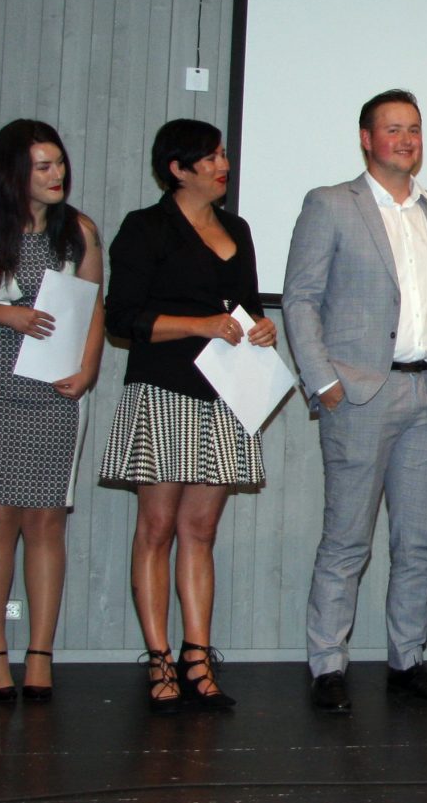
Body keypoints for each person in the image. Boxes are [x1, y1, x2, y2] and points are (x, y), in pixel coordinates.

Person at [283, 90, 427, 712]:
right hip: (359, 392)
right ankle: (327, 665)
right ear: (366, 138)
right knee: (346, 540)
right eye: (393, 129)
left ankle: (407, 661)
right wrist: (323, 381)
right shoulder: (331, 203)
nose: (406, 140)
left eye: (414, 129)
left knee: (419, 542)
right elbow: (300, 299)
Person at [101, 118, 275, 712]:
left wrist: (262, 326)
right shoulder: (145, 227)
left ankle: (197, 657)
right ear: (178, 168)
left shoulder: (237, 228)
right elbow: (121, 318)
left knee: (200, 532)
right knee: (156, 529)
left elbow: (247, 306)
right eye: (211, 156)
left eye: (223, 153)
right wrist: (199, 325)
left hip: (225, 393)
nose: (223, 164)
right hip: (165, 387)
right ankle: (159, 659)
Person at [0, 119, 104, 703]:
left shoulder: (78, 230)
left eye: (60, 163)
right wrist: (6, 314)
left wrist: (88, 368)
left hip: (56, 390)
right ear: (14, 173)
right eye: (42, 166)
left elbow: (94, 306)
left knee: (47, 521)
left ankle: (40, 654)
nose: (57, 175)